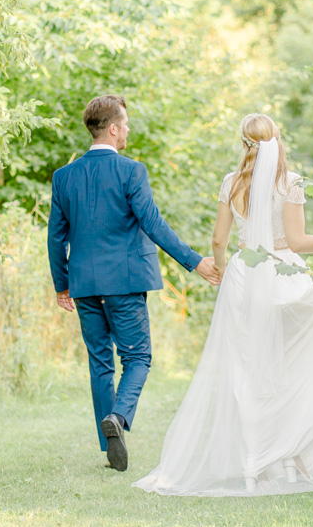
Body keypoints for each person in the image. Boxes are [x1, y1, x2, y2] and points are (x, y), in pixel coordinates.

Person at [133, 114, 313, 496]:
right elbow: (297, 242)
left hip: (244, 278)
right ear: (278, 141)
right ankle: (290, 454)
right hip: (284, 275)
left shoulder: (231, 182)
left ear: (244, 143)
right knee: (298, 364)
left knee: (249, 372)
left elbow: (217, 240)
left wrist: (223, 270)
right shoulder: (289, 183)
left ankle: (253, 465)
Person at [48, 94, 223, 472]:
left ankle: (108, 440)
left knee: (100, 362)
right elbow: (153, 223)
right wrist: (195, 262)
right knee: (138, 358)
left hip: (83, 284)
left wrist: (62, 284)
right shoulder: (131, 172)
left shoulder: (64, 177)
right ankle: (119, 419)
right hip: (125, 282)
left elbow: (55, 236)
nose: (127, 129)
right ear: (112, 128)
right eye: (124, 124)